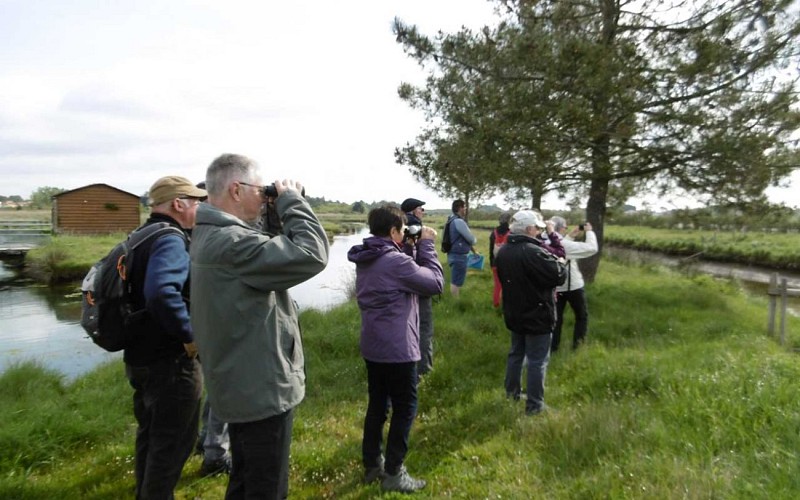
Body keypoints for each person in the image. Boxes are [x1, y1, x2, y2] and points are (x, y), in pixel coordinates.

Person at [190, 153, 329, 499]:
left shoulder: (214, 235)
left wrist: (272, 210)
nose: (263, 194)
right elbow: (312, 254)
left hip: (242, 382)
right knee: (266, 488)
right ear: (236, 190)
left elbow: (268, 252)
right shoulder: (232, 244)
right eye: (258, 189)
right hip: (259, 389)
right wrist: (292, 202)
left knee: (246, 480)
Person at [347, 205, 444, 493]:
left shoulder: (370, 256)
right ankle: (394, 472)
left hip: (374, 345)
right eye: (402, 230)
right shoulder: (394, 262)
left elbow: (400, 275)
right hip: (398, 349)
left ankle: (372, 464)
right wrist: (426, 245)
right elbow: (435, 283)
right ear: (392, 232)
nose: (405, 234)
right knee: (405, 408)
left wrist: (410, 247)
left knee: (378, 405)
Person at [124, 175, 206, 499]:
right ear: (178, 204)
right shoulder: (171, 238)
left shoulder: (140, 235)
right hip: (170, 363)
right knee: (173, 445)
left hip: (140, 358)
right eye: (196, 201)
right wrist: (189, 335)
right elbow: (160, 293)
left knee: (150, 436)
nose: (200, 207)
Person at [494, 209, 566, 415]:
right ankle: (535, 406)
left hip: (515, 312)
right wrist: (560, 263)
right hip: (537, 313)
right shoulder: (533, 252)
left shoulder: (504, 250)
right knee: (537, 361)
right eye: (536, 228)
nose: (538, 232)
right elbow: (558, 276)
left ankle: (512, 394)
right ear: (528, 229)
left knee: (516, 354)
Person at [549, 217, 598, 352]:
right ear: (559, 228)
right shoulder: (564, 244)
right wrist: (589, 232)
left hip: (556, 288)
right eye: (565, 227)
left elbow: (563, 247)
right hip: (573, 287)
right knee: (581, 316)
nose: (567, 229)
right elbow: (591, 248)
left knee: (556, 320)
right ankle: (578, 345)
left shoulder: (547, 240)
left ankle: (553, 348)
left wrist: (570, 236)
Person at [400, 197, 435, 375]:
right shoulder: (417, 229)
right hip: (418, 284)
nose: (423, 212)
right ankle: (423, 370)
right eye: (421, 209)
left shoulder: (399, 227)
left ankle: (407, 366)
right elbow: (423, 260)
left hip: (401, 286)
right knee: (424, 327)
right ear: (414, 210)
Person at [444, 199, 478, 298]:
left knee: (456, 279)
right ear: (460, 208)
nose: (465, 210)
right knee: (456, 281)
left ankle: (455, 300)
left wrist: (473, 251)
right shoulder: (459, 221)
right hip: (459, 256)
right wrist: (475, 240)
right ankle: (456, 302)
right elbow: (471, 239)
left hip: (452, 254)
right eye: (464, 207)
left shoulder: (450, 220)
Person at [488, 212, 512, 308]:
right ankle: (506, 304)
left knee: (497, 285)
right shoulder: (511, 233)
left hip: (496, 263)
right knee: (508, 285)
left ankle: (496, 304)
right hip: (508, 263)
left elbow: (490, 250)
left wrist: (491, 263)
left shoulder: (493, 233)